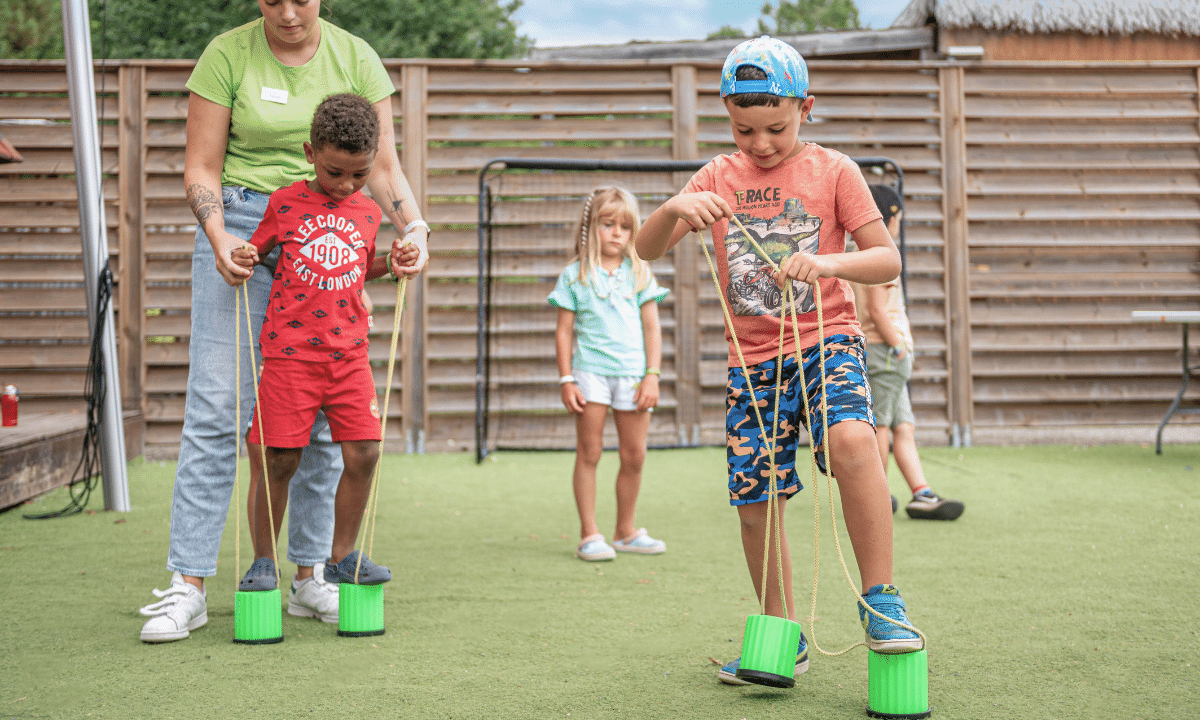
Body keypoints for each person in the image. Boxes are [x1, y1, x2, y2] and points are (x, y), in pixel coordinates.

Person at [634, 36, 922, 685]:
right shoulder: (716, 176)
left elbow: (888, 260)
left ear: (805, 107)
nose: (759, 144)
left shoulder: (835, 171)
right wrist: (675, 207)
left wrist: (827, 261)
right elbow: (650, 250)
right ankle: (780, 631)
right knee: (755, 495)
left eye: (775, 128)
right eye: (743, 129)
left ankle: (882, 602)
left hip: (828, 340)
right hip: (751, 362)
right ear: (728, 116)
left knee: (852, 442)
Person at [139, 0, 428, 643]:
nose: (289, 11)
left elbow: (380, 168)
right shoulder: (226, 55)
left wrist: (415, 229)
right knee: (218, 406)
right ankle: (187, 586)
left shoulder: (356, 58)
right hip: (242, 228)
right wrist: (219, 240)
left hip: (335, 232)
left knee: (325, 423)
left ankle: (309, 577)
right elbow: (202, 168)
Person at [234, 93, 394, 592]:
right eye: (333, 172)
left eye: (359, 175)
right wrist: (237, 254)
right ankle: (264, 562)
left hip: (349, 355)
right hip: (290, 354)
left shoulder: (370, 213)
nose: (345, 185)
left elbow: (355, 268)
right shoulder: (284, 202)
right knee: (279, 459)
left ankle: (341, 556)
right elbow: (254, 251)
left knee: (365, 453)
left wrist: (391, 263)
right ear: (309, 153)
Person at [548, 187, 669, 562]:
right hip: (590, 377)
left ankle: (625, 531)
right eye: (608, 224)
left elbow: (652, 328)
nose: (617, 232)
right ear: (590, 227)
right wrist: (567, 379)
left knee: (634, 455)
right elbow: (564, 332)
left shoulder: (640, 273)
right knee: (590, 452)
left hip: (633, 377)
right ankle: (589, 534)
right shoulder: (574, 276)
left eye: (625, 227)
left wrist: (652, 375)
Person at [851, 185, 964, 521]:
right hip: (886, 351)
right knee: (881, 427)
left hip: (876, 352)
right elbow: (876, 309)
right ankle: (877, 495)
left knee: (903, 427)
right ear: (892, 216)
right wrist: (898, 345)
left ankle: (921, 493)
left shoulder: (855, 253)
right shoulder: (882, 255)